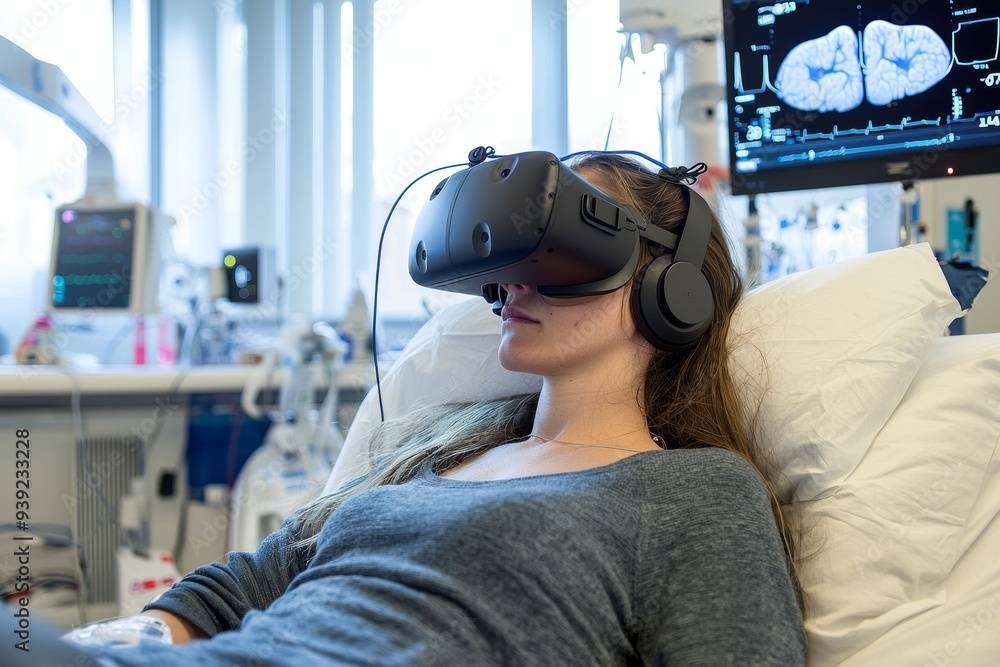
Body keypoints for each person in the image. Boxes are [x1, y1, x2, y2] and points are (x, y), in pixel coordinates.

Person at [65, 152, 806, 666]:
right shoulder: (433, 449)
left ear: (672, 290)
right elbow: (231, 591)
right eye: (516, 253)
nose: (517, 280)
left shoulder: (694, 492)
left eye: (564, 249)